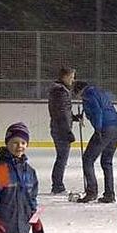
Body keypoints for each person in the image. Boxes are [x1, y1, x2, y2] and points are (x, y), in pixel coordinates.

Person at [72, 81, 117, 203]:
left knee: (88, 159)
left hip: (105, 128)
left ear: (79, 91)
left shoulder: (88, 95)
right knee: (106, 161)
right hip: (116, 127)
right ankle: (109, 194)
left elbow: (98, 112)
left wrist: (98, 129)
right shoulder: (98, 92)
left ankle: (91, 192)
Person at [48, 67, 76, 195]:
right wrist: (68, 131)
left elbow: (64, 111)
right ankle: (57, 186)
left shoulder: (59, 91)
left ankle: (57, 184)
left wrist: (74, 117)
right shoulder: (60, 91)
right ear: (64, 77)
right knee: (62, 159)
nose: (72, 80)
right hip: (61, 130)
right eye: (71, 77)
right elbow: (62, 113)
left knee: (61, 158)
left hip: (59, 128)